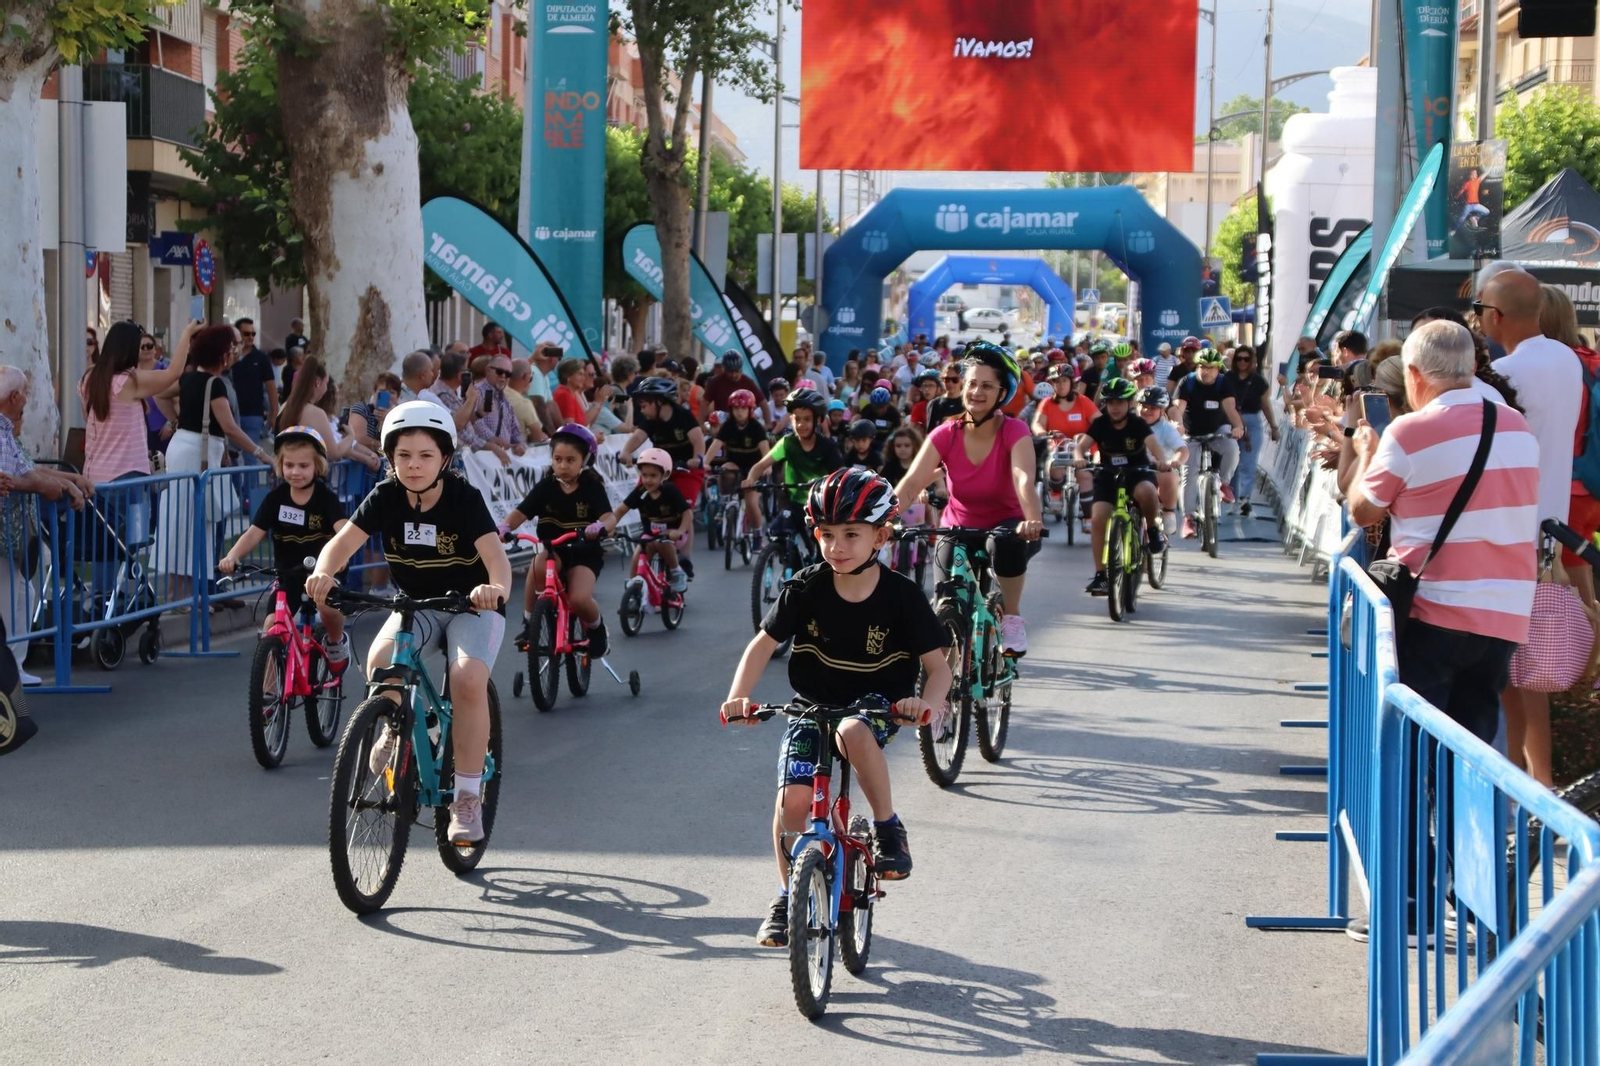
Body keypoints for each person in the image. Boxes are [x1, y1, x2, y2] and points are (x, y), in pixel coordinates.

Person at [720, 468, 951, 946]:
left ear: (881, 536)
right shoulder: (807, 586)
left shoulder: (903, 596)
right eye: (826, 534)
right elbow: (763, 644)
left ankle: (888, 828)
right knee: (792, 803)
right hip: (811, 706)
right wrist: (737, 695)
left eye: (851, 534)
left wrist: (925, 705)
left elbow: (939, 667)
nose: (836, 546)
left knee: (852, 729)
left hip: (875, 709)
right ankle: (787, 895)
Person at [306, 402, 511, 844]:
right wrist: (324, 572)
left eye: (424, 456)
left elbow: (497, 560)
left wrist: (495, 588)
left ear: (445, 460)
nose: (413, 465)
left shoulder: (463, 498)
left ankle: (467, 797)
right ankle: (393, 724)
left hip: (471, 606)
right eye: (403, 456)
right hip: (415, 604)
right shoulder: (385, 496)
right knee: (381, 665)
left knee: (467, 678)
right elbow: (341, 544)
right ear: (389, 458)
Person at [1345, 320, 1538, 749]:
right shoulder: (1517, 427)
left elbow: (1362, 510)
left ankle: (1417, 819)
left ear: (1414, 374)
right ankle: (1462, 820)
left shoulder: (1410, 432)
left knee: (1415, 752)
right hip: (1504, 614)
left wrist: (1365, 456)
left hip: (1436, 611)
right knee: (1472, 756)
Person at [891, 342, 1044, 654]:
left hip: (1008, 528)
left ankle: (1011, 617)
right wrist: (881, 519)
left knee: (1003, 546)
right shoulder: (946, 433)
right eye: (971, 383)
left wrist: (1031, 519)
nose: (976, 392)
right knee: (945, 607)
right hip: (958, 528)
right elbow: (911, 484)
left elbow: (1023, 478)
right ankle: (942, 698)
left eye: (987, 386)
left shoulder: (1014, 431)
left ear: (1003, 393)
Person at [217, 425, 351, 671]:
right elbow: (254, 533)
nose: (295, 472)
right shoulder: (276, 498)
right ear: (280, 465)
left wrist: (341, 556)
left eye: (303, 466)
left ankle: (335, 641)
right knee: (271, 625)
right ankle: (269, 694)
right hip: (287, 574)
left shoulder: (325, 498)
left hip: (322, 573)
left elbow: (344, 529)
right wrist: (233, 555)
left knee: (326, 606)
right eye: (289, 465)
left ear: (317, 466)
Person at [154, 326, 269, 594]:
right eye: (232, 348)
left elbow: (160, 394)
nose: (235, 352)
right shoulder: (215, 384)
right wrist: (263, 454)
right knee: (195, 523)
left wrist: (176, 420)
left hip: (185, 447)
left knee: (181, 521)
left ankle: (178, 592)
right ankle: (184, 594)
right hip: (197, 453)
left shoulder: (189, 378)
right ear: (223, 354)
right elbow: (229, 427)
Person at [500, 423, 614, 657]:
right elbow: (521, 512)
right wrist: (503, 527)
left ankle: (597, 629)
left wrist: (600, 526)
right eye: (558, 459)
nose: (563, 465)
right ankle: (529, 623)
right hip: (554, 549)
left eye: (571, 460)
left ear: (585, 461)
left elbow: (609, 517)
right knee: (537, 566)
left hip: (584, 552)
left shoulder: (591, 485)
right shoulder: (546, 486)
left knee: (579, 598)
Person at [1539, 285, 1600, 609]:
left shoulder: (1558, 367)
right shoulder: (1593, 361)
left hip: (1568, 494)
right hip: (1593, 488)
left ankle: (1584, 657)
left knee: (1581, 603)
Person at [1078, 378, 1168, 595]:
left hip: (1137, 472)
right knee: (1099, 517)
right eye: (1110, 403)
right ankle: (1101, 575)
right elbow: (1081, 447)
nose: (1115, 407)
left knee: (1146, 492)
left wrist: (1162, 460)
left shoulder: (1138, 424)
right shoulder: (1100, 424)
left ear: (1129, 404)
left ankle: (1153, 530)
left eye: (1120, 402)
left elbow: (1155, 447)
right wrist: (1079, 457)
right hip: (1108, 475)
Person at [80, 319, 195, 484]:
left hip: (95, 473)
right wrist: (187, 333)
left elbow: (87, 418)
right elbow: (174, 372)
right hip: (125, 473)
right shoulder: (128, 381)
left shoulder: (90, 378)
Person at [741, 388, 844, 542]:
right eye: (797, 419)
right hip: (793, 502)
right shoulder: (787, 443)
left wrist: (826, 483)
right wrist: (750, 480)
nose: (801, 424)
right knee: (778, 533)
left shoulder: (827, 447)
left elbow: (841, 475)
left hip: (820, 506)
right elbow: (761, 466)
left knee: (822, 548)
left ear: (818, 420)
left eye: (807, 419)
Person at [1171, 349, 1245, 538]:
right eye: (1203, 367)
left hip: (1217, 430)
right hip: (1191, 432)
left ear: (1217, 369)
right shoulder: (1187, 382)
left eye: (1211, 368)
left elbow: (1230, 408)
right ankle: (1188, 519)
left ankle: (1224, 484)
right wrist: (1177, 424)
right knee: (1189, 474)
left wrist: (1238, 427)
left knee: (1232, 448)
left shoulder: (1223, 382)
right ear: (1197, 366)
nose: (1207, 371)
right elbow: (1178, 407)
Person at [620, 375, 707, 518]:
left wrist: (697, 458)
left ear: (659, 402)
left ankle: (685, 537)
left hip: (686, 468)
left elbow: (698, 440)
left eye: (644, 406)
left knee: (684, 513)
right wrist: (626, 452)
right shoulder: (650, 420)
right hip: (659, 469)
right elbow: (637, 437)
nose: (641, 411)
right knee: (642, 501)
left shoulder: (682, 415)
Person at [610, 448, 693, 593]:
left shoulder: (670, 491)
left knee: (662, 541)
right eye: (644, 475)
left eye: (653, 475)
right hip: (650, 536)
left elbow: (687, 514)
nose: (648, 480)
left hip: (673, 535)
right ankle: (634, 589)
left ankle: (676, 572)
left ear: (665, 475)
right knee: (637, 555)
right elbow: (621, 510)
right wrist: (609, 527)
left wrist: (680, 531)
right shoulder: (640, 492)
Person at [274, 356, 372, 467]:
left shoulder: (285, 406)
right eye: (326, 382)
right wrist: (350, 436)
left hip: (285, 472)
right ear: (318, 382)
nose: (326, 389)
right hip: (306, 477)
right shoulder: (315, 413)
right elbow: (333, 453)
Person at [705, 389, 769, 539]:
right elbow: (716, 445)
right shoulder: (728, 426)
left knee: (751, 502)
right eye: (736, 408)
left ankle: (758, 535)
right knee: (724, 470)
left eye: (743, 408)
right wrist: (705, 462)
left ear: (750, 409)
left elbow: (766, 452)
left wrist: (768, 467)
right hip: (735, 466)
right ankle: (724, 502)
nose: (739, 412)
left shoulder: (756, 428)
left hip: (755, 469)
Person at [1226, 345, 1280, 516]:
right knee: (1232, 462)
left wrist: (1273, 426)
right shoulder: (1227, 378)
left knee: (1248, 462)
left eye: (1246, 359)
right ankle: (1234, 496)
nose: (1242, 362)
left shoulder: (1259, 381)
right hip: (1231, 420)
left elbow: (1266, 405)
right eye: (1239, 359)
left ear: (1252, 361)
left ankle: (1245, 498)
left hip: (1252, 421)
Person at [462, 354, 527, 467]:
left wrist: (520, 444)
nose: (503, 377)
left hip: (501, 463)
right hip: (480, 462)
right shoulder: (475, 393)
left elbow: (515, 427)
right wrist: (493, 440)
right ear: (488, 370)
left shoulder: (505, 399)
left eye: (508, 374)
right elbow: (473, 422)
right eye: (499, 372)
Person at [1138, 387, 1188, 535]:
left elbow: (1182, 450)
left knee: (1170, 476)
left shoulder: (1166, 429)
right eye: (1143, 406)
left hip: (1158, 469)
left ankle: (1168, 512)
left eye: (1152, 408)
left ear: (1161, 411)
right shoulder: (1128, 423)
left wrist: (1175, 461)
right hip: (1135, 469)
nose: (1146, 411)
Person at [229, 317, 280, 446]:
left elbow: (271, 387)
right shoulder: (228, 356)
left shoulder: (261, 358)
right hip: (229, 414)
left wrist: (274, 414)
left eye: (253, 334)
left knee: (250, 458)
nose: (250, 337)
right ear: (237, 334)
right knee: (230, 459)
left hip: (253, 415)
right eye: (246, 334)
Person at [926, 363, 965, 430]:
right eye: (946, 379)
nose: (950, 383)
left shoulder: (967, 403)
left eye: (954, 380)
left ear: (961, 380)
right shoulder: (935, 404)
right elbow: (930, 431)